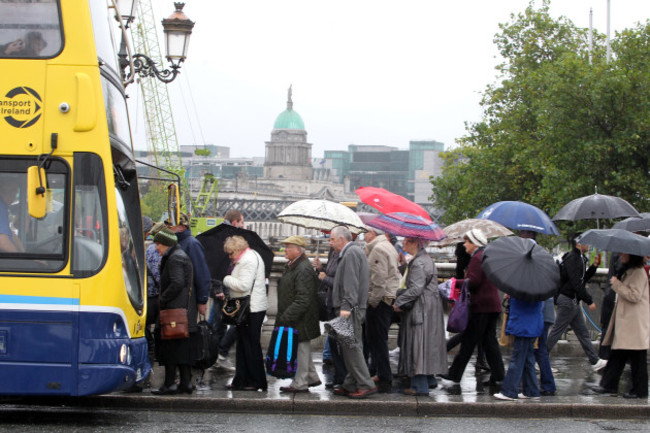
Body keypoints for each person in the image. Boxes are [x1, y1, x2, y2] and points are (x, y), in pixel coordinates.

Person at [442, 229, 505, 389]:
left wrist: (456, 282)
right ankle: (498, 375)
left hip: (481, 306)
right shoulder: (487, 255)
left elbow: (474, 282)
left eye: (467, 242)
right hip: (491, 305)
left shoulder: (477, 258)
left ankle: (455, 374)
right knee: (489, 342)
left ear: (475, 242)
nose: (464, 245)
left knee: (470, 341)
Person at [393, 237, 448, 396]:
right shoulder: (423, 260)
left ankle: (419, 386)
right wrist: (404, 266)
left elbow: (416, 288)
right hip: (429, 308)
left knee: (418, 344)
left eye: (406, 241)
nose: (403, 244)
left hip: (421, 309)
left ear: (415, 243)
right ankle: (429, 379)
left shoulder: (418, 262)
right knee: (426, 345)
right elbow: (417, 280)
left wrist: (399, 302)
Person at [547, 233, 607, 371]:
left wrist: (594, 267)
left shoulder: (579, 258)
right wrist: (589, 300)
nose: (588, 246)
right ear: (578, 244)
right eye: (586, 243)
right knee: (557, 331)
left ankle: (594, 360)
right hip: (568, 300)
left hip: (573, 301)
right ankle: (540, 358)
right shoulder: (573, 259)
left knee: (583, 333)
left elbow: (582, 279)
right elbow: (576, 283)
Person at [329, 225, 377, 399]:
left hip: (350, 309)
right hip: (354, 308)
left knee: (352, 347)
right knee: (351, 347)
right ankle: (350, 384)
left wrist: (345, 308)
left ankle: (366, 384)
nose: (330, 242)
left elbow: (351, 284)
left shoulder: (350, 254)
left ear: (342, 239)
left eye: (332, 239)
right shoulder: (354, 252)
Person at [595, 253, 649, 399]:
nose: (621, 256)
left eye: (624, 254)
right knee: (618, 355)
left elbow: (635, 295)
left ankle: (639, 391)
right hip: (628, 323)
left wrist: (617, 285)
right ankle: (608, 385)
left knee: (636, 359)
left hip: (633, 323)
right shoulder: (630, 272)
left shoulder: (638, 273)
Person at [151, 228, 194, 395]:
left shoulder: (175, 258)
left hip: (173, 311)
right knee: (181, 349)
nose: (156, 248)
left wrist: (163, 299)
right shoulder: (179, 255)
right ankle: (185, 383)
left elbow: (177, 282)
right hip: (181, 310)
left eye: (158, 244)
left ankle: (169, 384)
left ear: (166, 244)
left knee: (170, 348)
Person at [276, 236, 322, 393]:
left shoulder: (302, 269)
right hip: (298, 315)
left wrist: (287, 315)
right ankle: (311, 376)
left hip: (300, 316)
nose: (285, 249)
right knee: (302, 347)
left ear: (298, 250)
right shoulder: (294, 265)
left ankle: (300, 383)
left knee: (301, 347)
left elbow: (303, 299)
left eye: (288, 247)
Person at [223, 235, 268, 391]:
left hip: (251, 308)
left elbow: (243, 285)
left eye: (231, 253)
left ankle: (255, 381)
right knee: (243, 345)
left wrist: (227, 279)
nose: (230, 257)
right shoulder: (250, 256)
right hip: (251, 307)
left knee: (250, 345)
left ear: (238, 250)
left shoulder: (248, 260)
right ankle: (242, 379)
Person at [519, 230, 556, 396]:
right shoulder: (544, 257)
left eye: (522, 234)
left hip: (539, 312)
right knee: (535, 350)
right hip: (544, 311)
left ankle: (545, 385)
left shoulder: (532, 259)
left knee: (538, 349)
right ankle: (533, 384)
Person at [364, 226, 400, 393]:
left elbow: (379, 279)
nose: (364, 236)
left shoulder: (377, 249)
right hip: (388, 298)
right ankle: (381, 372)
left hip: (380, 301)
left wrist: (372, 301)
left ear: (373, 234)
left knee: (377, 339)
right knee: (379, 338)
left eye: (366, 233)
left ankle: (384, 375)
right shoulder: (388, 246)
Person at [493, 294, 544, 401]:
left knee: (517, 359)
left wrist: (512, 296)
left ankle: (509, 391)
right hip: (532, 325)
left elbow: (522, 304)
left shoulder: (523, 288)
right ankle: (531, 390)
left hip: (523, 325)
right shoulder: (539, 288)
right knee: (528, 360)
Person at [314, 244, 347, 388]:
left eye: (333, 239)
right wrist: (320, 268)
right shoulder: (334, 254)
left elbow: (340, 283)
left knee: (339, 344)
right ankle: (338, 377)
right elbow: (330, 274)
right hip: (331, 303)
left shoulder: (345, 256)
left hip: (339, 304)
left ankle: (342, 378)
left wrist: (325, 277)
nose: (330, 241)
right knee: (334, 343)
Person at [168, 213, 210, 318]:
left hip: (187, 299)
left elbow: (201, 273)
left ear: (181, 227)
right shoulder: (173, 243)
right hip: (176, 298)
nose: (168, 228)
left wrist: (202, 300)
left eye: (171, 225)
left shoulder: (192, 244)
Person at [144, 219, 165, 356]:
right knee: (154, 323)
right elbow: (158, 275)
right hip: (153, 294)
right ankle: (152, 346)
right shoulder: (154, 250)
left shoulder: (150, 248)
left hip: (151, 292)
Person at [0, 176, 24, 253]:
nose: (12, 195)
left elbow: (11, 234)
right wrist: (22, 260)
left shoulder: (4, 207)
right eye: (7, 191)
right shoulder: (1, 207)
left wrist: (25, 254)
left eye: (14, 191)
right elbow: (3, 244)